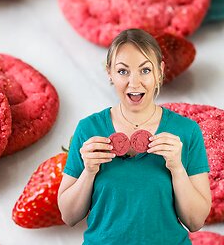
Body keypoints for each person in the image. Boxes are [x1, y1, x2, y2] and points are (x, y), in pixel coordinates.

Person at [57, 28, 212, 244]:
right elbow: (69, 216)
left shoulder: (186, 131)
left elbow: (196, 221)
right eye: (123, 71)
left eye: (145, 70)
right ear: (109, 73)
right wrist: (89, 172)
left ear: (160, 72)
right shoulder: (89, 129)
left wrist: (177, 167)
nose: (134, 82)